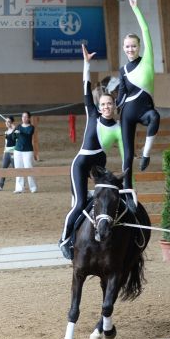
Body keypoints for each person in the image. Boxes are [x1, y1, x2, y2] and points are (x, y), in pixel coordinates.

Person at [59, 43, 124, 260]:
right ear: (99, 106)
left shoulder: (116, 128)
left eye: (110, 104)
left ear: (114, 106)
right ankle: (65, 239)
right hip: (81, 164)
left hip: (98, 165)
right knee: (78, 203)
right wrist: (86, 64)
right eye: (103, 104)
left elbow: (126, 152)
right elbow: (86, 87)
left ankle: (95, 233)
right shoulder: (92, 115)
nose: (106, 107)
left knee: (99, 201)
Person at [116, 0, 160, 192]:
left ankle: (147, 153)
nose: (130, 49)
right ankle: (127, 187)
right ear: (124, 48)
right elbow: (121, 95)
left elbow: (145, 29)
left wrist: (135, 8)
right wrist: (111, 107)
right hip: (127, 114)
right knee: (126, 154)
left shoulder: (147, 60)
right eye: (127, 47)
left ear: (139, 46)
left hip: (144, 111)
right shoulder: (123, 70)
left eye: (133, 46)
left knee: (155, 117)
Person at [13, 111, 37, 194]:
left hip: (28, 151)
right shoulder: (18, 126)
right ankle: (19, 188)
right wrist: (14, 131)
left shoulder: (31, 127)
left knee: (29, 168)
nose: (24, 118)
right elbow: (13, 137)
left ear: (29, 118)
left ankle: (33, 187)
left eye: (26, 117)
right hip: (18, 151)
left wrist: (20, 132)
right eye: (23, 117)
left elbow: (27, 134)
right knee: (18, 169)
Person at [0, 116, 16, 191]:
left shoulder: (15, 131)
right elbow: (6, 143)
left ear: (12, 123)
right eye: (6, 121)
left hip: (13, 153)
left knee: (16, 170)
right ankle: (0, 186)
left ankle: (20, 185)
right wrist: (4, 152)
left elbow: (17, 141)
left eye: (8, 121)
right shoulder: (6, 132)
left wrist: (14, 129)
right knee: (3, 169)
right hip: (7, 153)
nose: (6, 123)